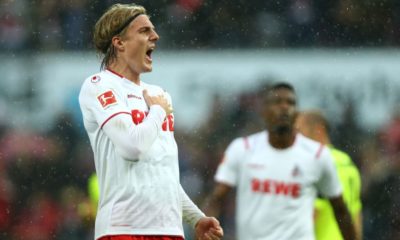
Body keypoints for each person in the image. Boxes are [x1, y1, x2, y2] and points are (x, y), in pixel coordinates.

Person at [78, 3, 223, 240]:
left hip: (170, 231)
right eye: (144, 31)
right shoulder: (99, 85)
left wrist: (196, 217)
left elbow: (163, 173)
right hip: (123, 229)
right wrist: (157, 112)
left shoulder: (160, 95)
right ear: (119, 42)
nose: (155, 36)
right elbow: (131, 148)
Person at [203, 82, 357, 240]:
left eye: (290, 103)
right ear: (264, 111)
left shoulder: (317, 155)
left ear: (297, 113)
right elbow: (217, 199)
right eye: (277, 102)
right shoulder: (242, 149)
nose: (284, 107)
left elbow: (341, 211)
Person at [295, 110, 362, 240]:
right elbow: (356, 213)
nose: (296, 139)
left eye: (300, 132)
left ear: (319, 130)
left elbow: (312, 215)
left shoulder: (318, 165)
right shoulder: (347, 162)